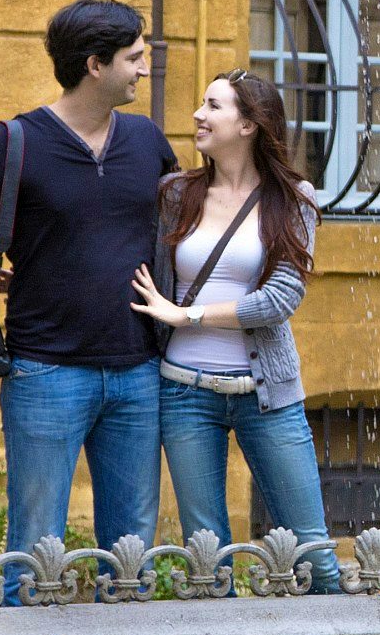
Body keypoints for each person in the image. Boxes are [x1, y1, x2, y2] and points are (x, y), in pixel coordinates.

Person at [0, 0, 178, 583]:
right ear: (96, 65)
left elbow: (185, 235)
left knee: (131, 560)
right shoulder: (14, 142)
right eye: (135, 58)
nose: (144, 69)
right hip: (45, 373)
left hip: (139, 372)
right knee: (32, 552)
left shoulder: (149, 142)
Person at [131, 70, 334, 587]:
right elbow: (127, 257)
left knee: (314, 551)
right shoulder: (176, 194)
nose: (198, 115)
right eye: (202, 103)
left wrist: (188, 315)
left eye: (213, 106)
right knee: (207, 559)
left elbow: (281, 298)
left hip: (267, 395)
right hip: (184, 395)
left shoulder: (294, 198)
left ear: (248, 124)